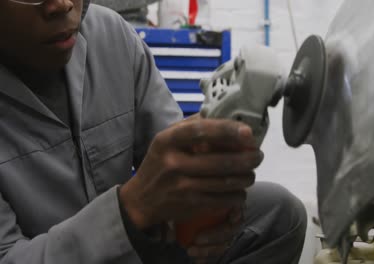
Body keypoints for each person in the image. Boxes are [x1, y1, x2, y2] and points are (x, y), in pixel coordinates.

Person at [0, 0, 308, 263]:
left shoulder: (111, 37)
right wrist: (130, 211)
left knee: (279, 214)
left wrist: (206, 199)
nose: (63, 4)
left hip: (137, 249)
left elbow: (176, 163)